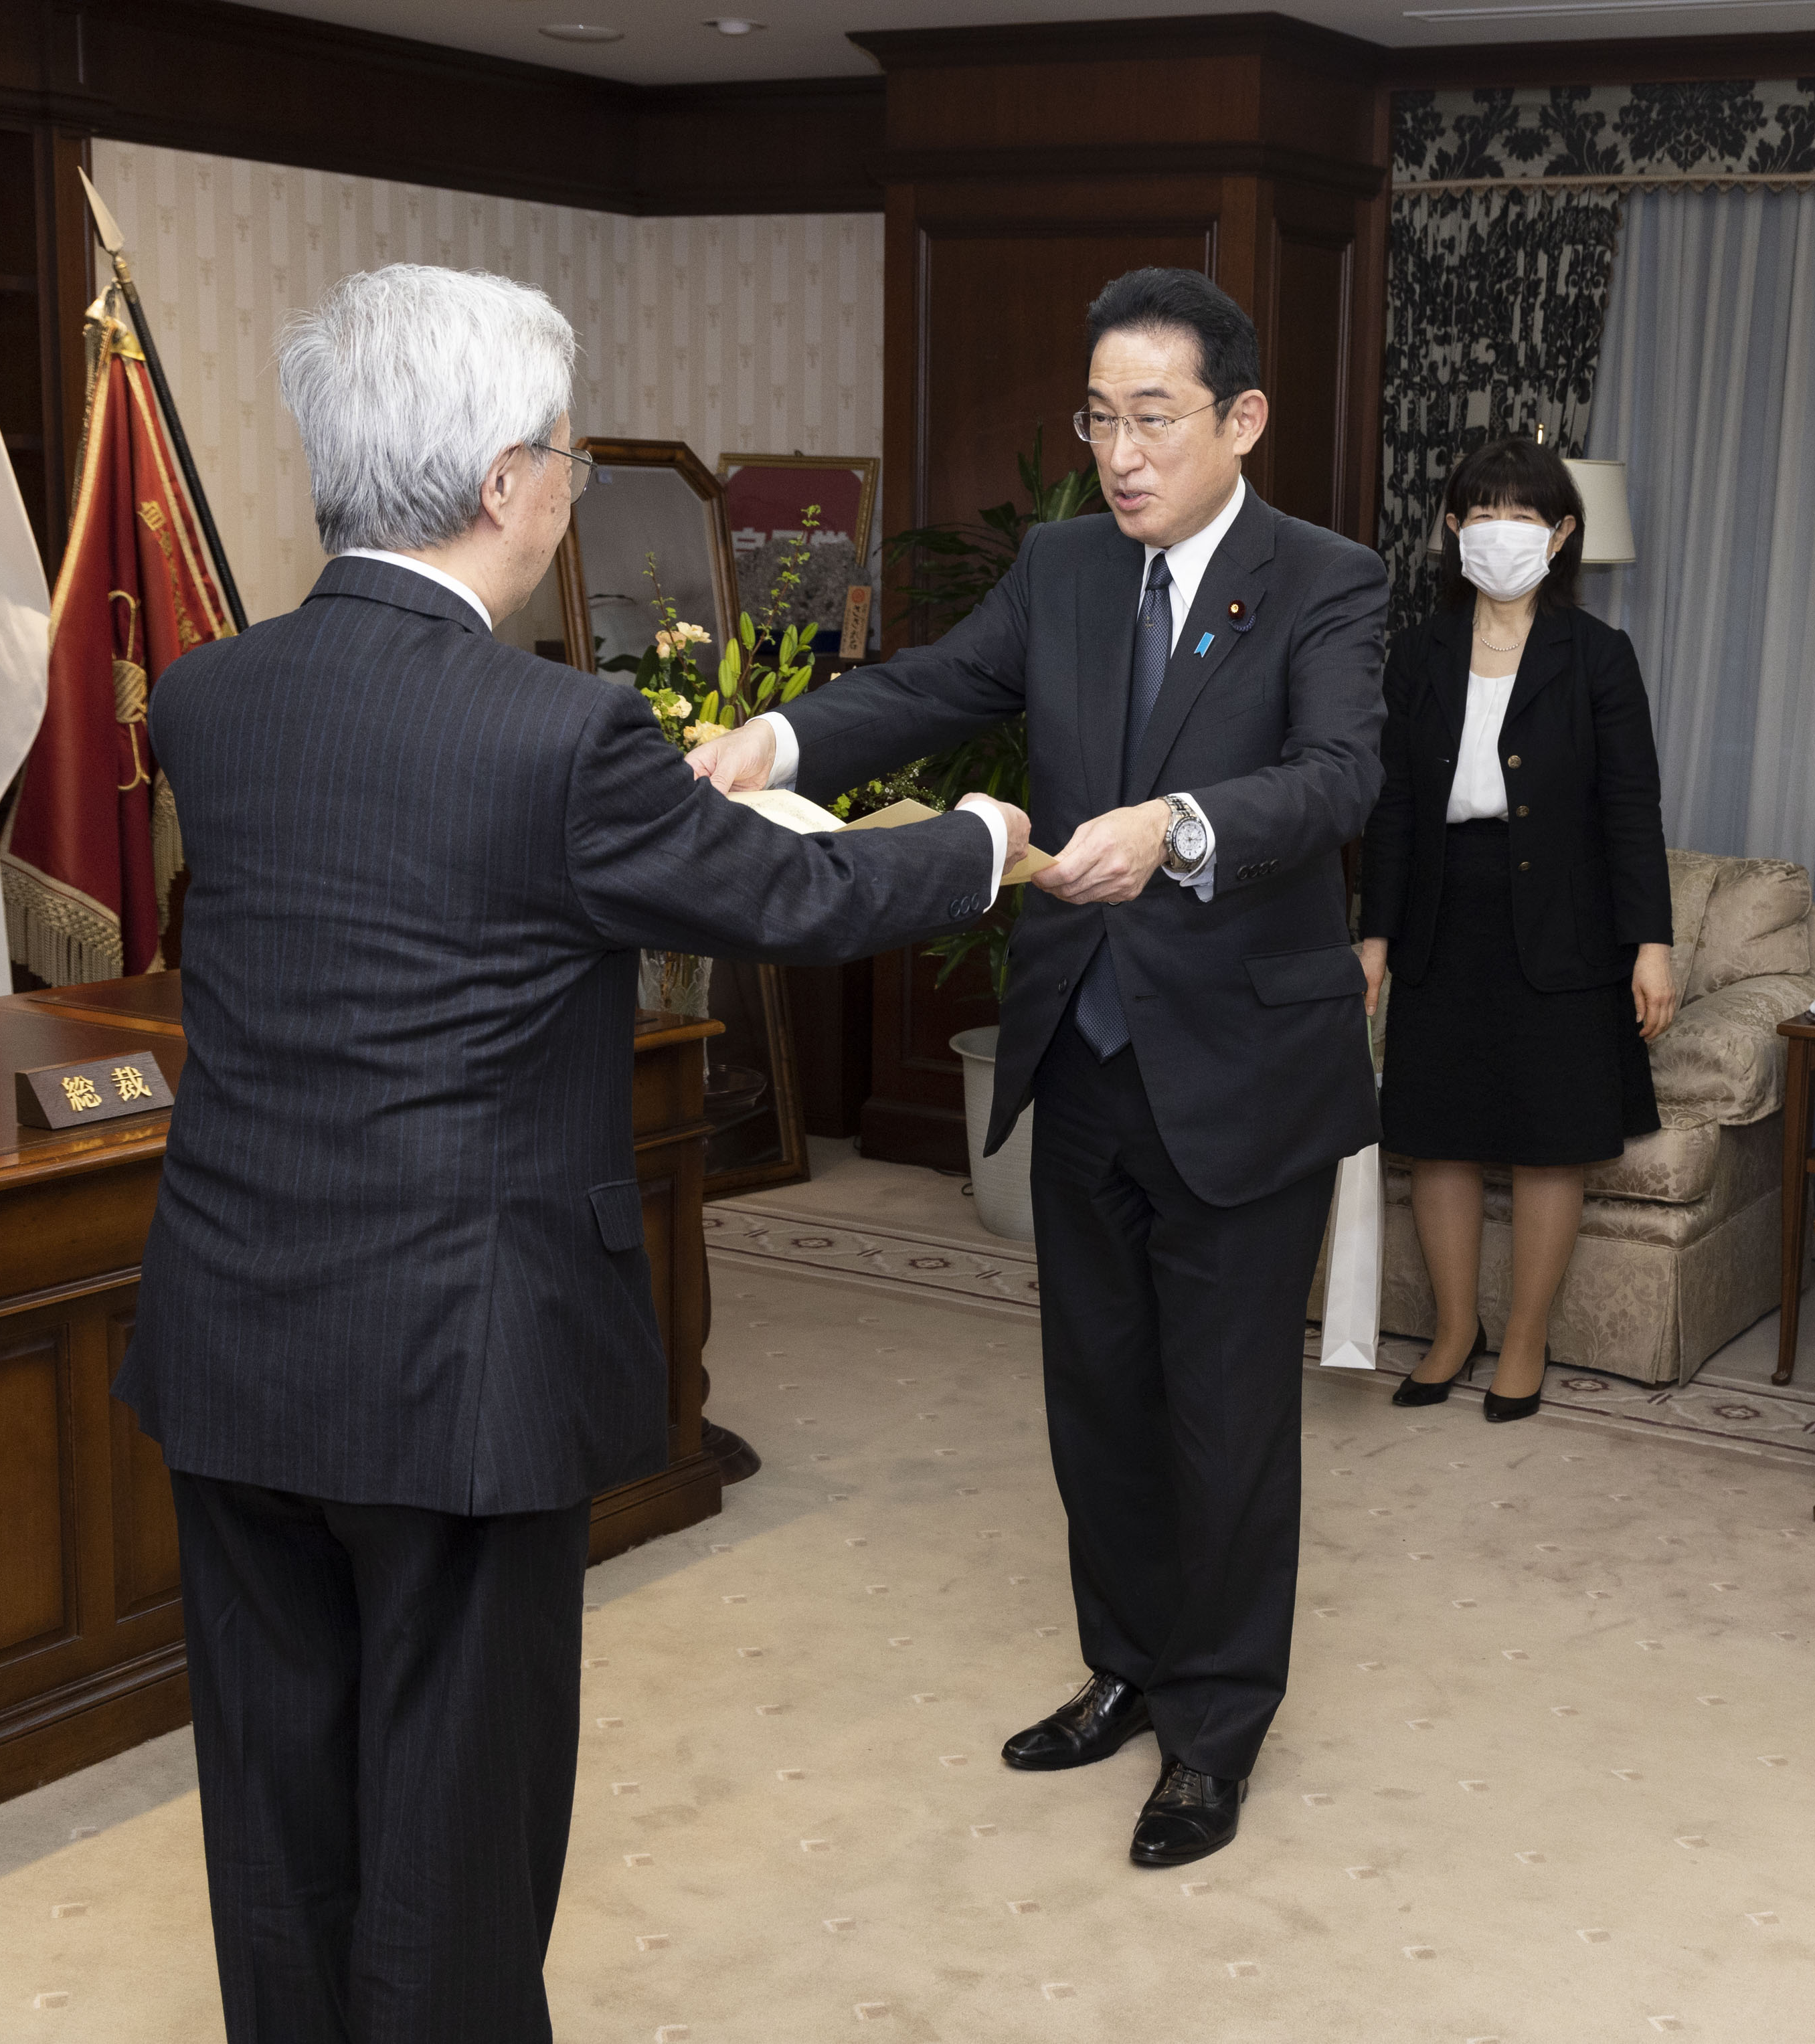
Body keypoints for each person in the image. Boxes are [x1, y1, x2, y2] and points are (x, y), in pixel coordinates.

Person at [117, 264, 1017, 2042]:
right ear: (500, 482)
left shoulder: (210, 696)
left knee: (277, 1812)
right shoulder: (557, 730)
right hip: (458, 1364)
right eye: (566, 455)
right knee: (456, 1835)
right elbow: (797, 898)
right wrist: (980, 837)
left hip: (233, 1337)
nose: (569, 483)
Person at [688, 267, 1387, 1868]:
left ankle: (1214, 1728)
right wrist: (775, 743)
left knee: (1223, 1420)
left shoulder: (1322, 578)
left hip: (1241, 1068)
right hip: (1081, 1047)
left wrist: (1181, 828)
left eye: (1154, 419)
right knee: (1098, 1399)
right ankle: (1124, 1665)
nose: (1119, 455)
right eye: (1097, 420)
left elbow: (1337, 777)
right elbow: (934, 685)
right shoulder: (1067, 566)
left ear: (1241, 419)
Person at [1358, 436, 1674, 1422]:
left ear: (1561, 534)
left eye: (1525, 515)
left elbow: (1632, 809)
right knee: (1439, 1140)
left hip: (1564, 922)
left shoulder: (1598, 655)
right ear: (1454, 529)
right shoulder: (1419, 652)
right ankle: (1455, 1331)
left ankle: (1526, 1339)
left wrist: (1652, 943)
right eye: (1483, 513)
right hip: (1442, 912)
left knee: (1547, 1143)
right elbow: (1392, 807)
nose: (1502, 531)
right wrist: (1374, 939)